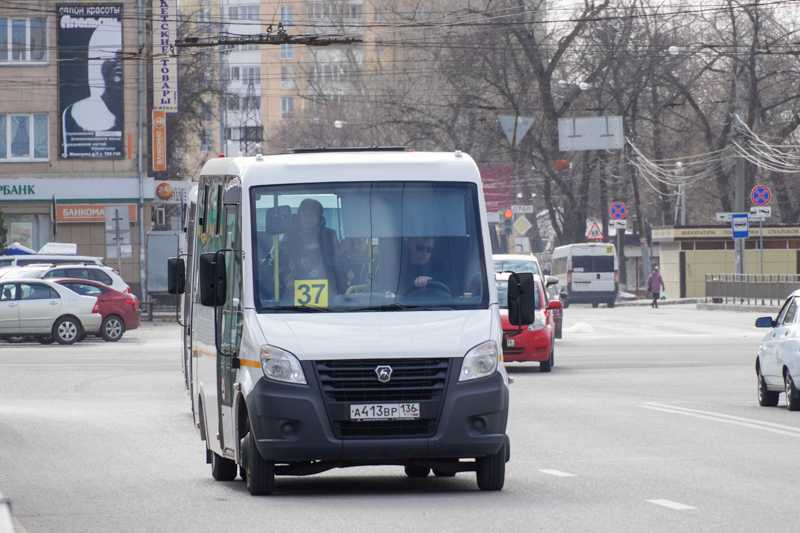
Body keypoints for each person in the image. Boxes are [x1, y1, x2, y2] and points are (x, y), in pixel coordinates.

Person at [62, 21, 123, 154]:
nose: (118, 63)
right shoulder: (76, 112)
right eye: (112, 56)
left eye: (123, 56)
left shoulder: (133, 112)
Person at [282, 198, 340, 297]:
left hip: (329, 289)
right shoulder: (289, 237)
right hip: (293, 290)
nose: (308, 218)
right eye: (305, 214)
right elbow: (280, 262)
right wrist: (286, 278)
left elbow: (338, 262)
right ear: (299, 216)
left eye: (312, 214)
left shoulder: (330, 235)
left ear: (320, 218)